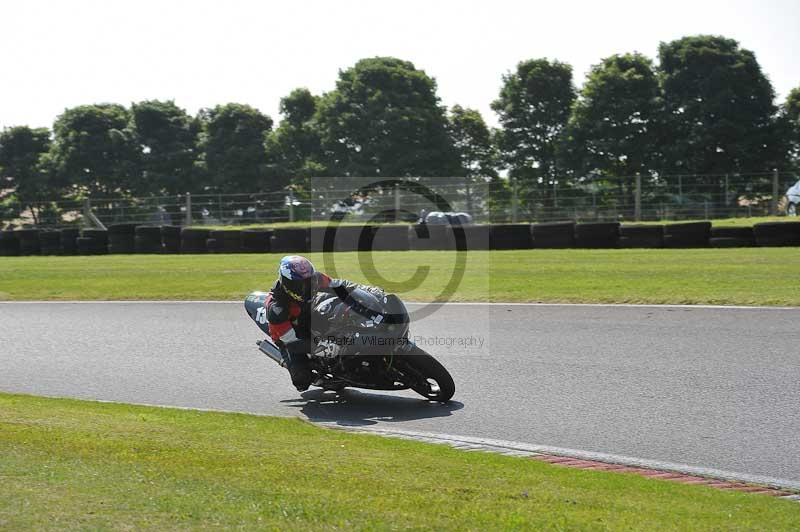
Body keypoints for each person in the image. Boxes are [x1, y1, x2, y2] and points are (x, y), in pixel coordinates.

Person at [265, 255, 383, 391]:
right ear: (287, 283)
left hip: (309, 316)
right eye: (301, 284)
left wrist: (365, 290)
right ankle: (312, 374)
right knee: (301, 381)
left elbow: (338, 286)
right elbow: (293, 344)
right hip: (291, 337)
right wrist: (321, 348)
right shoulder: (277, 309)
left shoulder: (316, 278)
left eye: (308, 281)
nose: (307, 286)